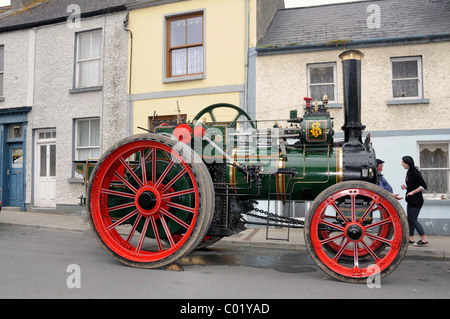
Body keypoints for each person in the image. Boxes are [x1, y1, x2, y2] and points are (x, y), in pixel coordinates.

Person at [401, 155, 428, 246]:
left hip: (417, 200)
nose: (402, 164)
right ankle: (410, 239)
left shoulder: (416, 172)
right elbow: (414, 186)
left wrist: (412, 192)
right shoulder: (409, 172)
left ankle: (423, 239)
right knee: (410, 220)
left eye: (403, 162)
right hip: (410, 200)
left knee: (413, 219)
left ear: (408, 163)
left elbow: (423, 186)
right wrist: (406, 188)